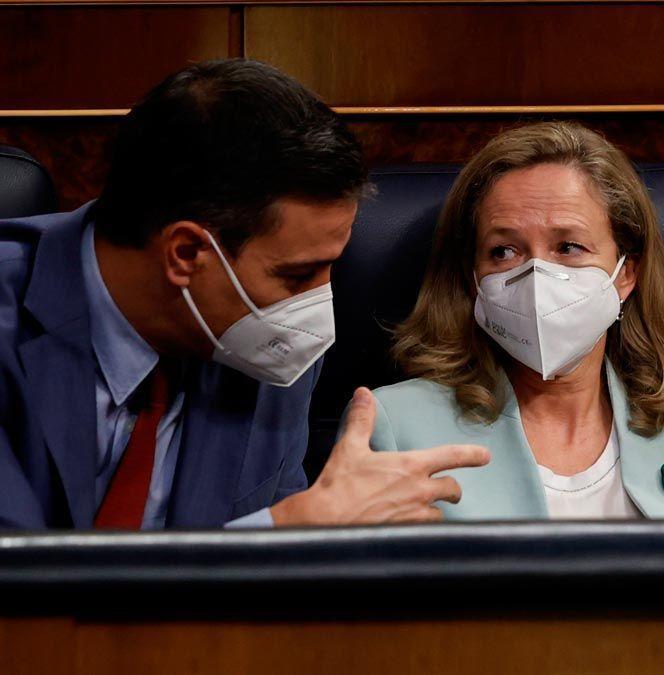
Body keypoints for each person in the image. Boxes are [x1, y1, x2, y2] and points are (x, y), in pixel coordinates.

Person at [0, 59, 487, 530]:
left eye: (329, 269)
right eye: (297, 276)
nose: (317, 309)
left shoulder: (272, 348)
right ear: (186, 252)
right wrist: (286, 533)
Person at [363, 121, 664, 519]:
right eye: (504, 251)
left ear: (626, 273)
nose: (536, 276)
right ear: (473, 279)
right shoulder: (397, 427)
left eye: (569, 246)